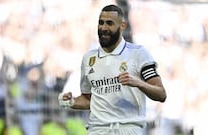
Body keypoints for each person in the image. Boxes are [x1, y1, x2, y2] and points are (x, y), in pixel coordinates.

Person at [58, 4, 166, 135]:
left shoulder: (138, 54)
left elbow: (161, 94)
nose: (103, 28)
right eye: (101, 23)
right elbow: (89, 100)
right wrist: (71, 101)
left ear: (122, 26)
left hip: (128, 129)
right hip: (97, 130)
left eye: (109, 23)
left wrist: (138, 83)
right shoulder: (88, 58)